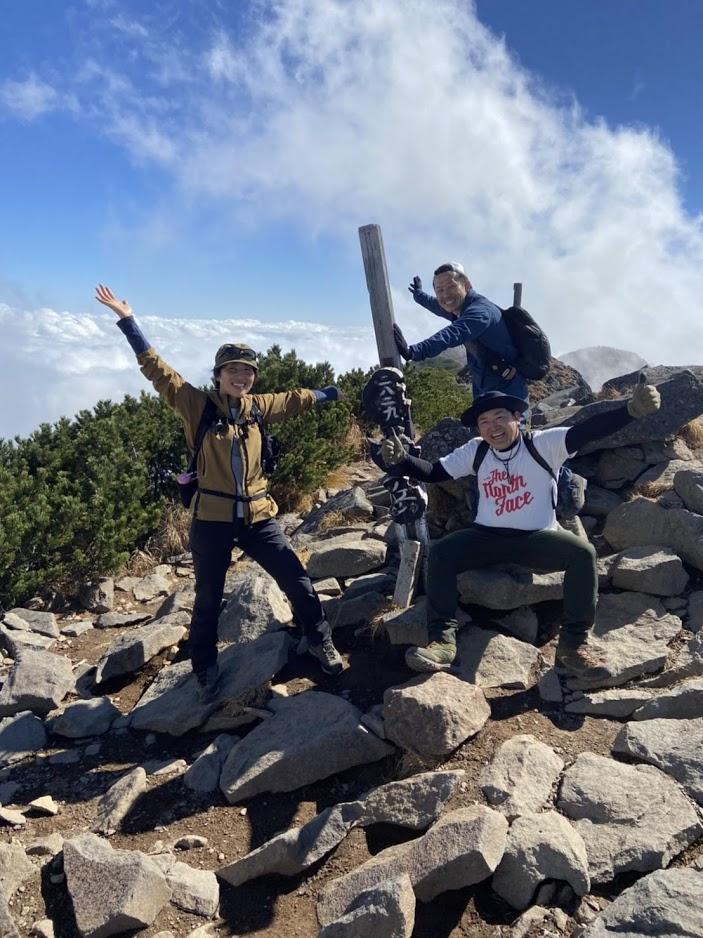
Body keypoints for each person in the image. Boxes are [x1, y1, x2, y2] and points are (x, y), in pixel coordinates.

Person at [95, 284, 344, 700]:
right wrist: (127, 321)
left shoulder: (258, 407)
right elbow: (158, 370)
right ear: (218, 375)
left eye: (247, 371)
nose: (242, 377)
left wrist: (328, 394)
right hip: (211, 518)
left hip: (259, 517)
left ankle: (318, 640)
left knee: (296, 580)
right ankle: (204, 664)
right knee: (209, 595)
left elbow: (295, 399)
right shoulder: (197, 405)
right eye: (233, 370)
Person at [379, 380, 661, 679]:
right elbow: (435, 472)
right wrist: (403, 461)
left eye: (500, 417)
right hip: (487, 536)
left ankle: (573, 646)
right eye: (484, 421)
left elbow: (586, 431)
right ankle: (443, 641)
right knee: (442, 553)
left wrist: (630, 411)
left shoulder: (542, 444)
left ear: (517, 418)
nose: (492, 426)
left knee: (582, 553)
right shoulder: (477, 450)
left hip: (536, 539)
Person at [393, 262, 528, 401]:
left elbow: (453, 333)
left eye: (451, 286)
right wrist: (418, 294)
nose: (446, 294)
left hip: (508, 388)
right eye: (439, 290)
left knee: (507, 423)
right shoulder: (459, 308)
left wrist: (414, 352)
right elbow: (437, 304)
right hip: (484, 384)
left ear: (467, 285)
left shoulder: (481, 311)